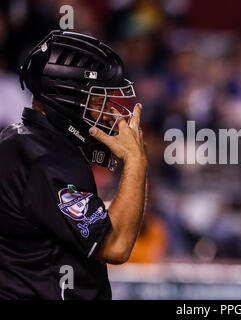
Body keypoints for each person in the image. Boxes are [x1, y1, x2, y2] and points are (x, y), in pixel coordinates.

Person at [0, 30, 147, 299]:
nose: (108, 112)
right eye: (98, 99)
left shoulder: (21, 142)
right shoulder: (46, 161)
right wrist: (136, 162)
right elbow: (115, 246)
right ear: (67, 97)